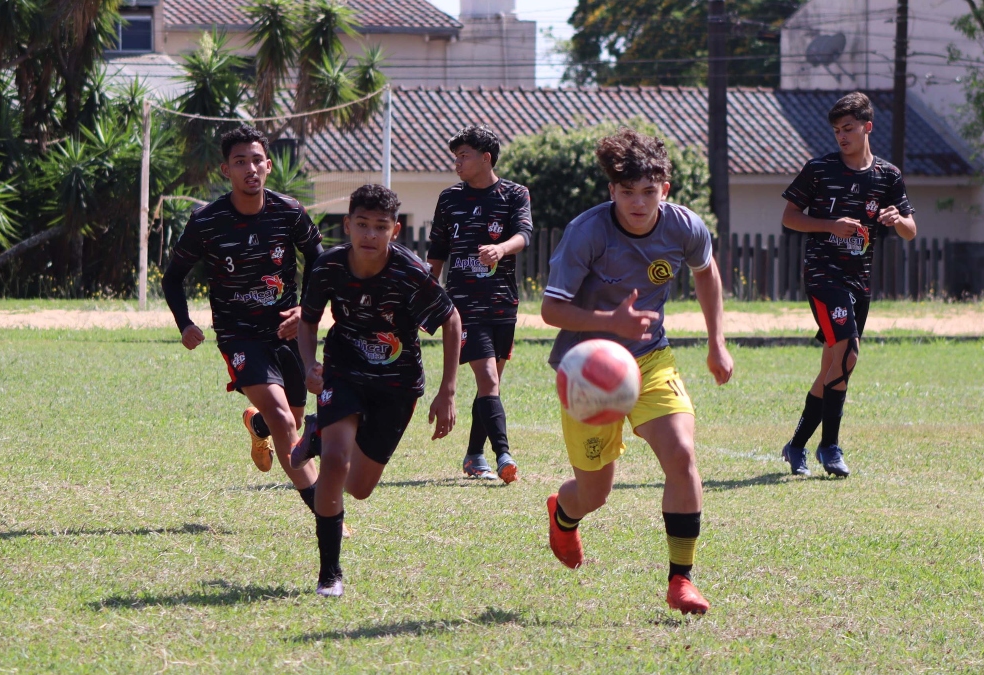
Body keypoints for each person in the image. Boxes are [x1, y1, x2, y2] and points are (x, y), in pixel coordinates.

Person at [540, 129, 733, 616]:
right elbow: (550, 309)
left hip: (650, 359)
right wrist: (611, 323)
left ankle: (681, 580)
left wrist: (716, 343)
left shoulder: (684, 227)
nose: (638, 203)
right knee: (594, 493)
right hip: (587, 370)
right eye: (627, 193)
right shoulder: (587, 232)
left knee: (682, 453)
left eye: (648, 192)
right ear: (612, 192)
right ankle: (564, 516)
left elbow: (706, 272)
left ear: (664, 189)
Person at [291, 184, 461, 597]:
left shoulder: (410, 273)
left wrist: (448, 392)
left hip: (397, 384)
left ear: (395, 230)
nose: (370, 234)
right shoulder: (329, 267)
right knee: (334, 463)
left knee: (360, 488)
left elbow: (452, 321)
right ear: (347, 225)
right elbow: (308, 321)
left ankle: (316, 429)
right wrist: (309, 365)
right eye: (362, 225)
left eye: (380, 227)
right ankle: (329, 573)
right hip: (345, 370)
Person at [161, 125, 325, 520]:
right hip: (239, 336)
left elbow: (321, 262)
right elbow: (172, 276)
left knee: (293, 419)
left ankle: (257, 426)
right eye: (240, 162)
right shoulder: (208, 221)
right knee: (287, 422)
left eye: (256, 160)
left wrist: (305, 311)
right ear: (226, 170)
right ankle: (325, 511)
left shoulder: (289, 211)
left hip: (288, 333)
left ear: (268, 165)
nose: (250, 168)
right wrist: (184, 323)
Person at [779, 92, 917, 478]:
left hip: (860, 281)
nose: (841, 136)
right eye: (837, 130)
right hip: (823, 276)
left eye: (849, 129)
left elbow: (910, 230)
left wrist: (896, 219)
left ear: (867, 127)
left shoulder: (887, 176)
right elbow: (790, 217)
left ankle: (796, 445)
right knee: (847, 350)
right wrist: (829, 224)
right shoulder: (819, 170)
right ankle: (830, 446)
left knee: (837, 363)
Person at [427, 125, 533, 483]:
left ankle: (474, 455)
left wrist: (501, 249)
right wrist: (426, 296)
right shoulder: (449, 199)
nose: (457, 163)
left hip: (503, 303)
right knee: (488, 378)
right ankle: (503, 455)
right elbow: (437, 253)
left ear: (486, 158)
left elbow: (524, 234)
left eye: (463, 156)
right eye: (455, 157)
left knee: (492, 387)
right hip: (463, 307)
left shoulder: (515, 194)